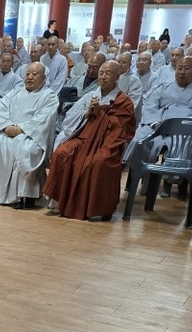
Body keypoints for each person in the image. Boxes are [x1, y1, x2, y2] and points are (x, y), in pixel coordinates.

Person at [44, 60, 136, 220]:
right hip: (84, 137)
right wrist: (86, 114)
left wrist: (100, 113)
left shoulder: (124, 101)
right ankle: (60, 202)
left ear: (117, 77)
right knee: (61, 153)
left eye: (108, 73)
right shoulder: (90, 96)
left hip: (107, 142)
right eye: (101, 73)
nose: (103, 77)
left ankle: (95, 208)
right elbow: (70, 117)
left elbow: (123, 128)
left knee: (97, 162)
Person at [0, 61, 58, 208]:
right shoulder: (15, 92)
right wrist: (6, 125)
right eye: (27, 73)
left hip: (30, 135)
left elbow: (43, 119)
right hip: (6, 129)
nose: (30, 77)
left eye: (34, 74)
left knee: (24, 150)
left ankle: (23, 196)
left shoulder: (49, 97)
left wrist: (21, 128)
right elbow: (1, 110)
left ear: (44, 77)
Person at [123, 56, 192, 167]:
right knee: (139, 139)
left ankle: (173, 175)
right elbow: (150, 106)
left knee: (182, 146)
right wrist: (156, 123)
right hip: (157, 126)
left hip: (184, 130)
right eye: (179, 68)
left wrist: (176, 127)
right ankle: (137, 172)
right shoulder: (162, 87)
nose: (182, 72)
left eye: (187, 68)